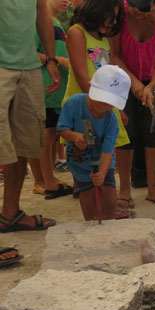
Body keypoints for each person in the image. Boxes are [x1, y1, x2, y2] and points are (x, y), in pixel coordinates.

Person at [110, 0, 155, 208]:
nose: (139, 13)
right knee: (125, 130)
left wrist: (150, 87)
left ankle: (153, 189)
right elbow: (114, 55)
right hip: (122, 77)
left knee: (154, 130)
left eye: (145, 9)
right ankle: (124, 190)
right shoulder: (118, 13)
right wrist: (135, 84)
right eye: (135, 8)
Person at [0, 0, 60, 233]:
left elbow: (40, 10)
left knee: (24, 143)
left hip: (29, 66)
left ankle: (10, 214)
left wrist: (51, 58)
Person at [58, 65, 131, 221]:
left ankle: (110, 222)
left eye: (109, 104)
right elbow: (62, 130)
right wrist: (74, 136)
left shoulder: (112, 120)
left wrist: (102, 173)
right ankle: (90, 224)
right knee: (86, 196)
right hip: (79, 161)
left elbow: (108, 151)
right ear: (91, 87)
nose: (103, 108)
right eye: (100, 102)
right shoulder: (73, 103)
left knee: (109, 193)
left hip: (103, 161)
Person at [28, 0, 73, 200]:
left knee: (53, 133)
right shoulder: (39, 20)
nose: (66, 1)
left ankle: (48, 177)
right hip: (43, 88)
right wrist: (54, 61)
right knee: (44, 135)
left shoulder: (56, 23)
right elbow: (30, 51)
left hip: (56, 91)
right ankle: (43, 180)